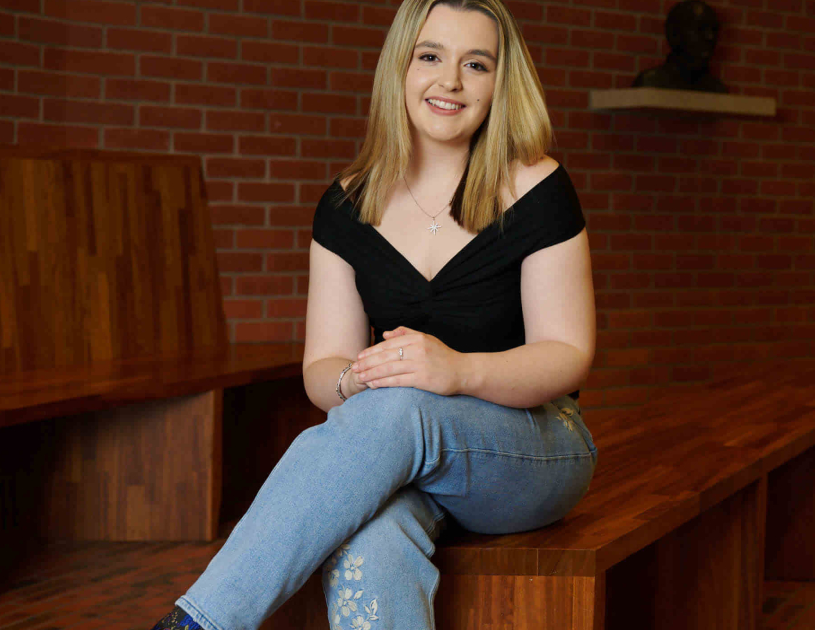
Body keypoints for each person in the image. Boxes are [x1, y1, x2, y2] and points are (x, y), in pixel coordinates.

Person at [149, 0, 597, 628]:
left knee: (399, 409)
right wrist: (365, 377)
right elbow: (322, 369)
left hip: (533, 450)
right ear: (400, 68)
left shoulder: (537, 186)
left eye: (476, 64)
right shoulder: (345, 207)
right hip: (401, 452)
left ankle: (200, 623)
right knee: (371, 532)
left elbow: (568, 354)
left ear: (501, 83)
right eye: (430, 56)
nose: (450, 81)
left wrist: (456, 371)